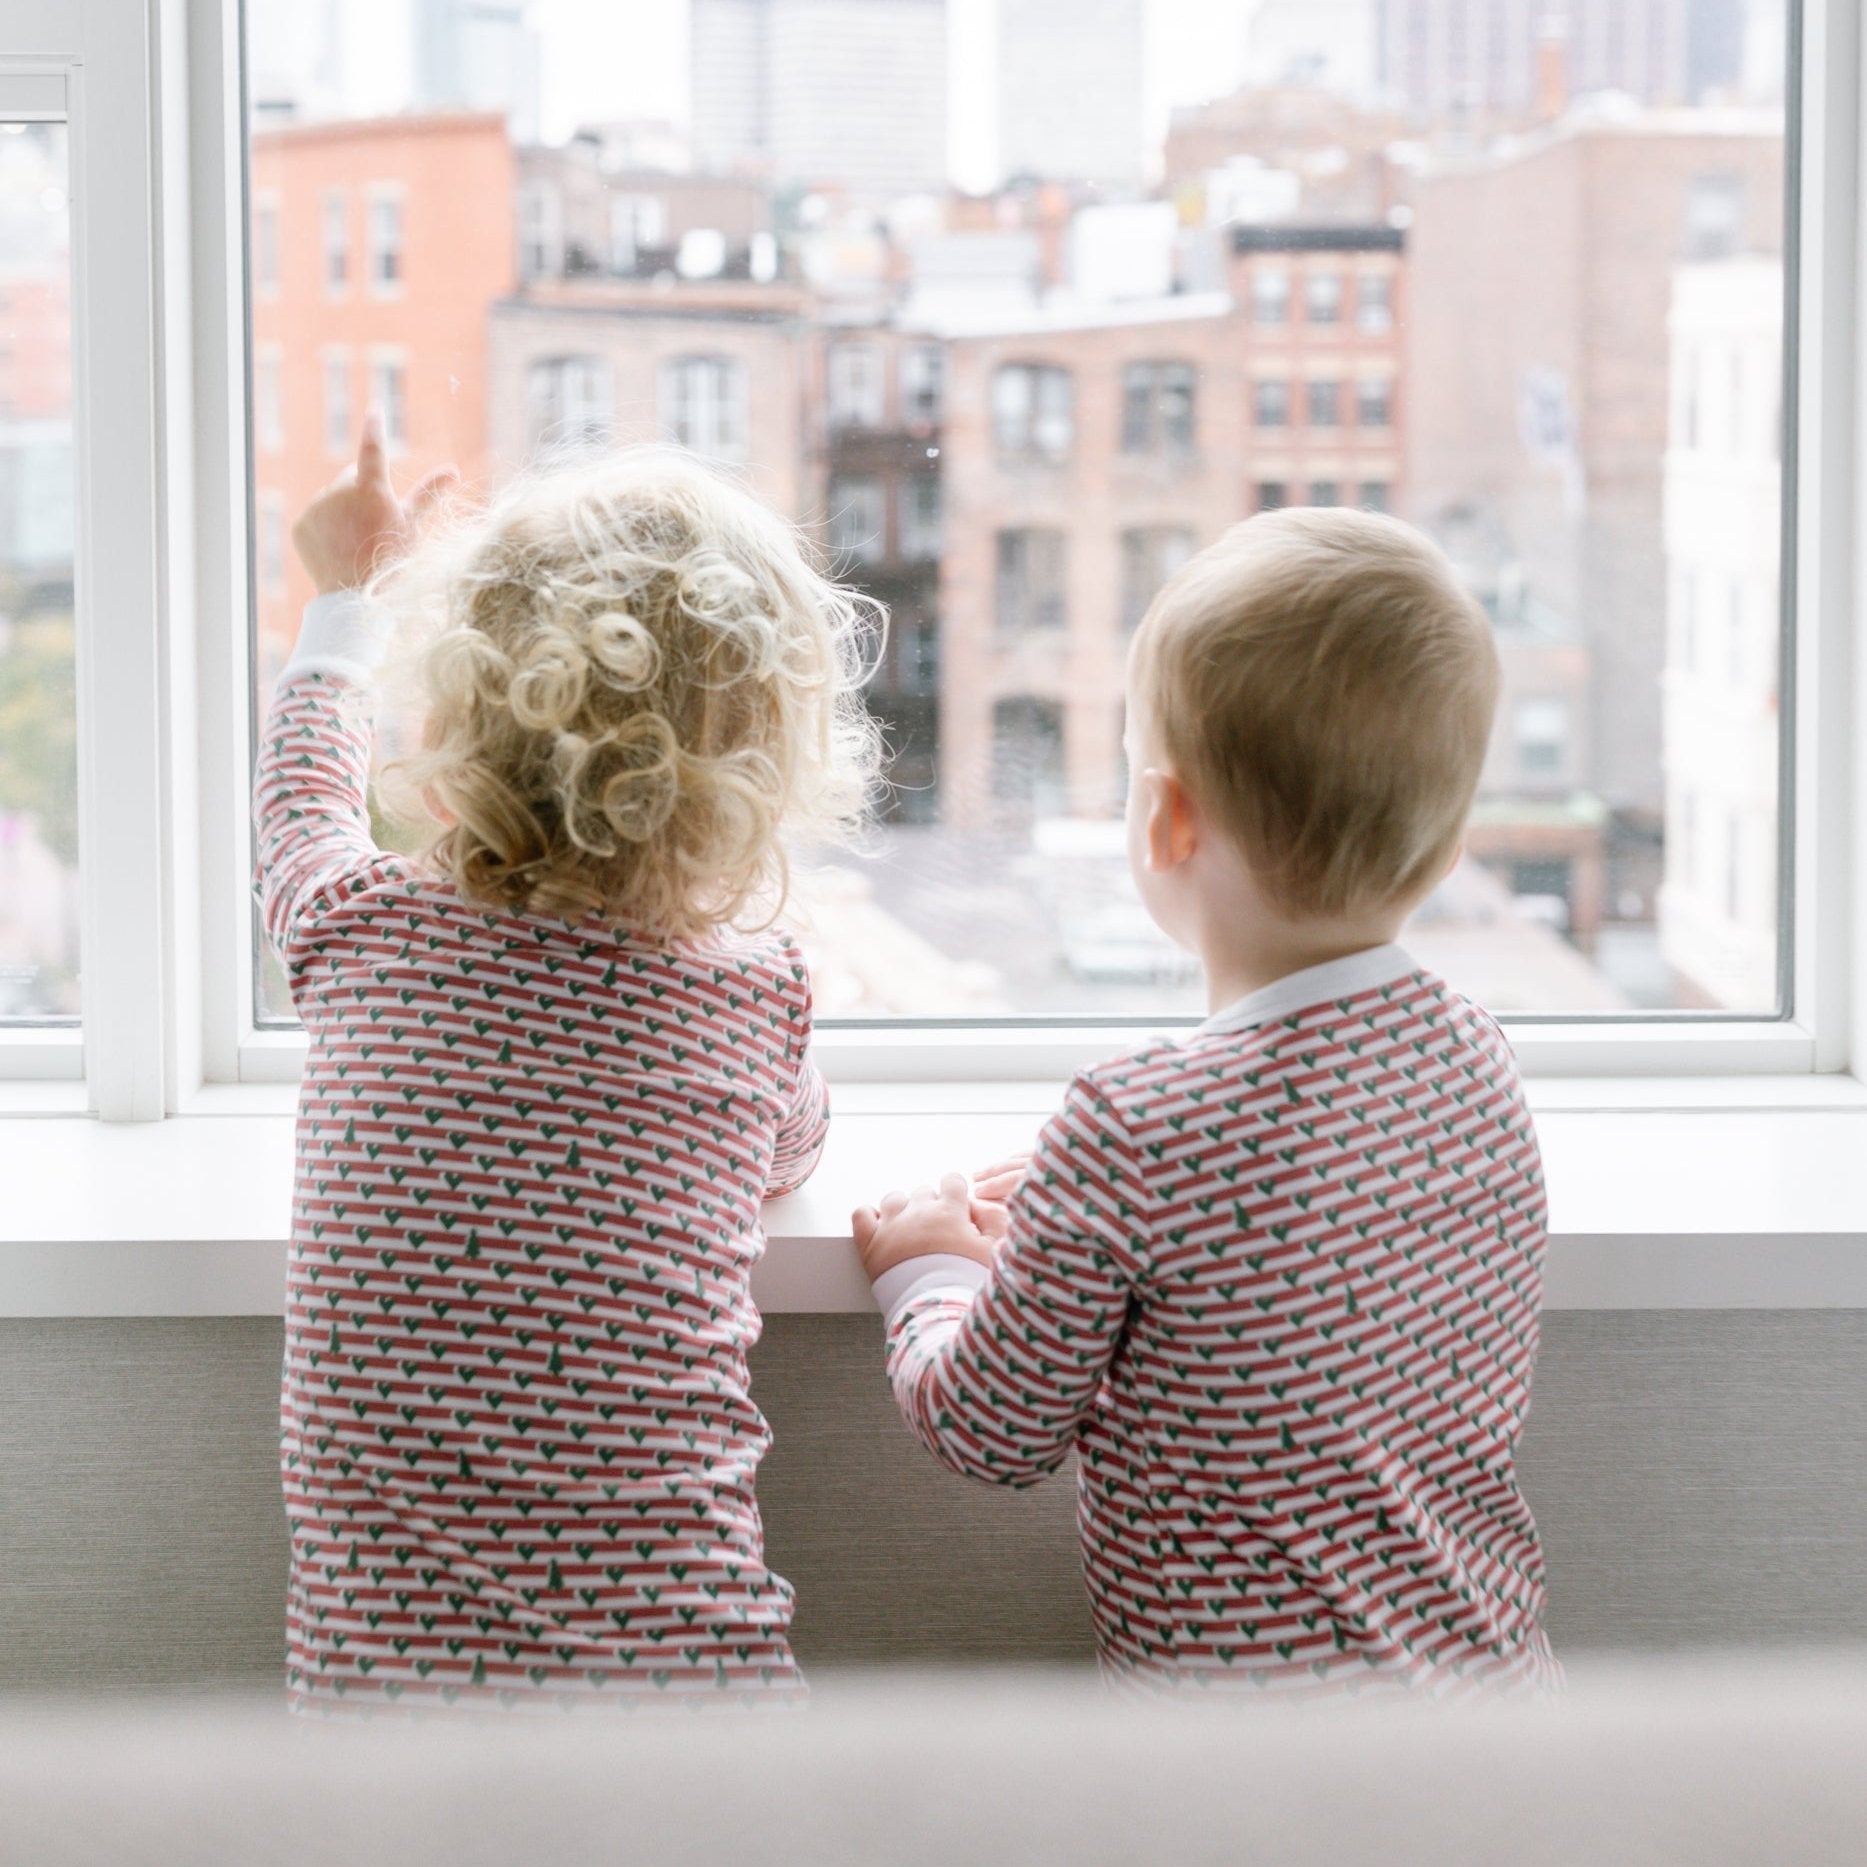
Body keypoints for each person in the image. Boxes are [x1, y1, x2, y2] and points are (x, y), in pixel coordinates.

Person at [854, 508, 1559, 1696]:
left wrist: (929, 1269)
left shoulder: (1134, 1125)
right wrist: (1092, 1224)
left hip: (1259, 1772)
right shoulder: (1477, 1059)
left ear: (1165, 819)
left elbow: (991, 1429)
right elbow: (1289, 1271)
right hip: (1492, 1703)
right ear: (1445, 850)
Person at [257, 418, 878, 1705]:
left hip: (385, 1708)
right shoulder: (751, 997)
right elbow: (792, 1151)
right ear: (754, 772)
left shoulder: (358, 926)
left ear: (452, 734)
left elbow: (299, 804)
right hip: (690, 1692)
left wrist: (340, 597)